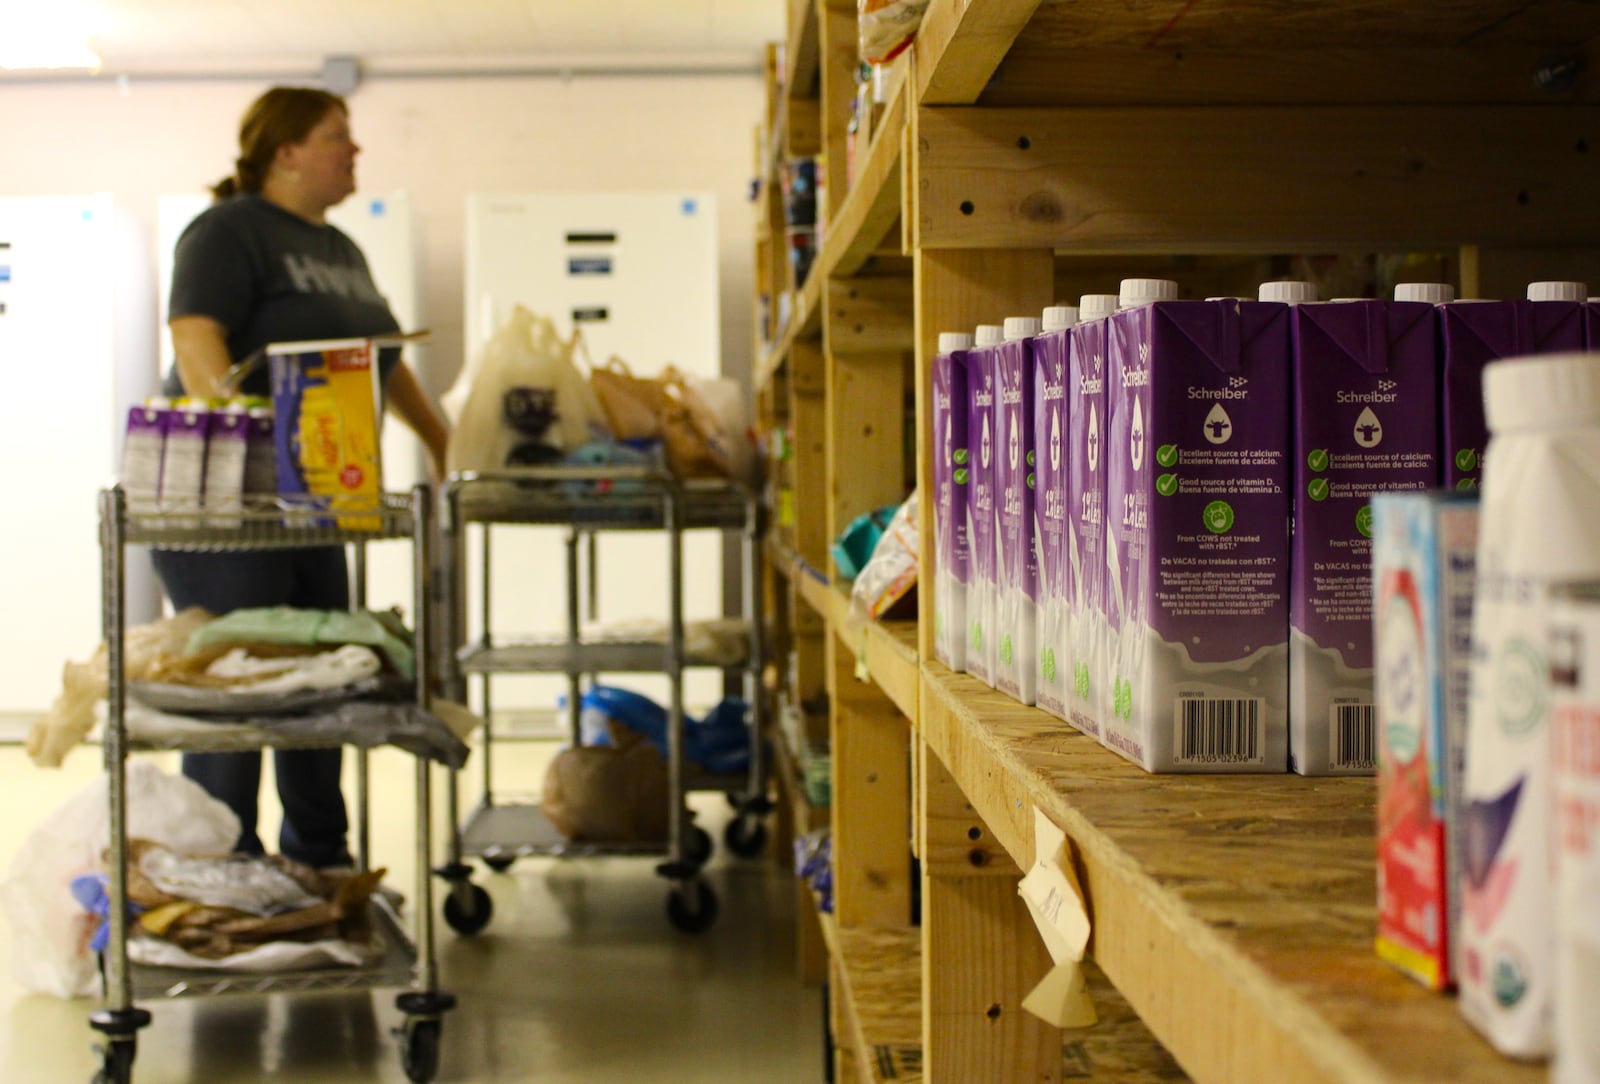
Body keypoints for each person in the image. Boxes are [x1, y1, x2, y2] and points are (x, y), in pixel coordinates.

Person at [154, 85, 449, 869]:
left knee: (322, 681)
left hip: (316, 499)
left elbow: (386, 356)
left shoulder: (340, 250)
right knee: (240, 692)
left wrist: (441, 439)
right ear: (284, 152)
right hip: (230, 505)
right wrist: (246, 435)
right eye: (335, 137)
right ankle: (224, 872)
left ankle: (322, 867)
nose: (352, 152)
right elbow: (195, 341)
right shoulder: (228, 232)